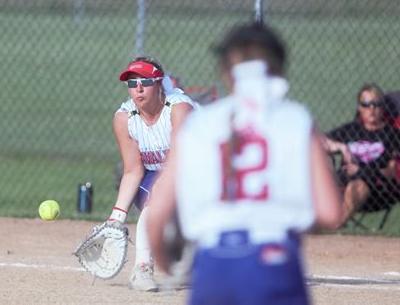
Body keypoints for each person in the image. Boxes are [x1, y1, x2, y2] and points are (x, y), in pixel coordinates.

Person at [147, 22, 341, 304]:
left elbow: (158, 211)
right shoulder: (296, 118)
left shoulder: (199, 123)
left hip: (214, 265)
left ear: (226, 72)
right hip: (276, 262)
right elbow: (330, 212)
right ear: (280, 68)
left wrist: (166, 264)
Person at [106, 56, 197, 291]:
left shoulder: (179, 110)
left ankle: (186, 262)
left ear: (159, 84)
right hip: (154, 175)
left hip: (199, 172)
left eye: (145, 81)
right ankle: (142, 269)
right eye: (131, 82)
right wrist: (116, 217)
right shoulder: (124, 119)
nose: (138, 88)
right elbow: (133, 171)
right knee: (154, 200)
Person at [323, 83, 400, 227]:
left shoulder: (392, 134)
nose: (372, 109)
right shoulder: (351, 129)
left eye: (376, 104)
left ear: (383, 107)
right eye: (366, 104)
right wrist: (342, 147)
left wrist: (361, 171)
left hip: (377, 189)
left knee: (356, 185)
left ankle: (333, 226)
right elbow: (317, 141)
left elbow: (391, 171)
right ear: (359, 107)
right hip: (342, 182)